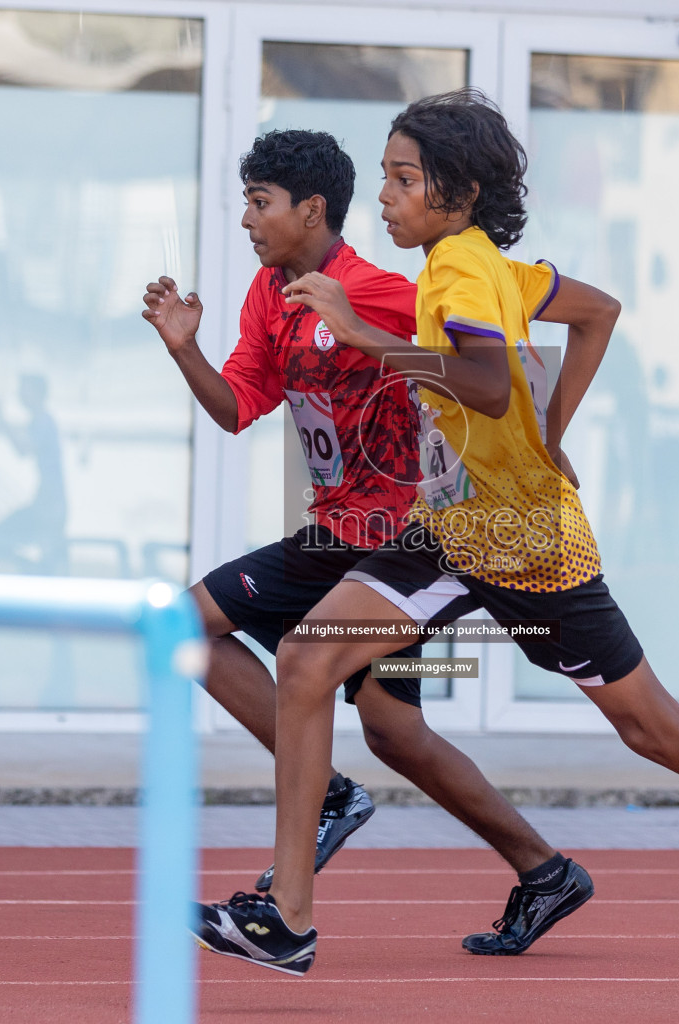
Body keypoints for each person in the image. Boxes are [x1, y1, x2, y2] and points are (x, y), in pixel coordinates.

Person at [196, 91, 679, 988]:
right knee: (306, 662)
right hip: (449, 530)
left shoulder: (458, 273)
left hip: (528, 544)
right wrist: (555, 433)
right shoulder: (486, 261)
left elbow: (490, 387)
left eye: (403, 179)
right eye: (384, 175)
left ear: (458, 191)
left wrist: (361, 333)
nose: (384, 196)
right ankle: (287, 919)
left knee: (655, 731)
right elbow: (600, 311)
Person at [143, 129, 592, 968]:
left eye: (259, 202)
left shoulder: (382, 293)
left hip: (388, 535)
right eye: (245, 201)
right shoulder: (267, 297)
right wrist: (185, 351)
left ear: (310, 210)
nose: (246, 218)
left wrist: (540, 449)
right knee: (393, 729)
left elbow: (494, 371)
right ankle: (544, 869)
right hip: (345, 533)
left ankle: (324, 812)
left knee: (185, 625)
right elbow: (239, 408)